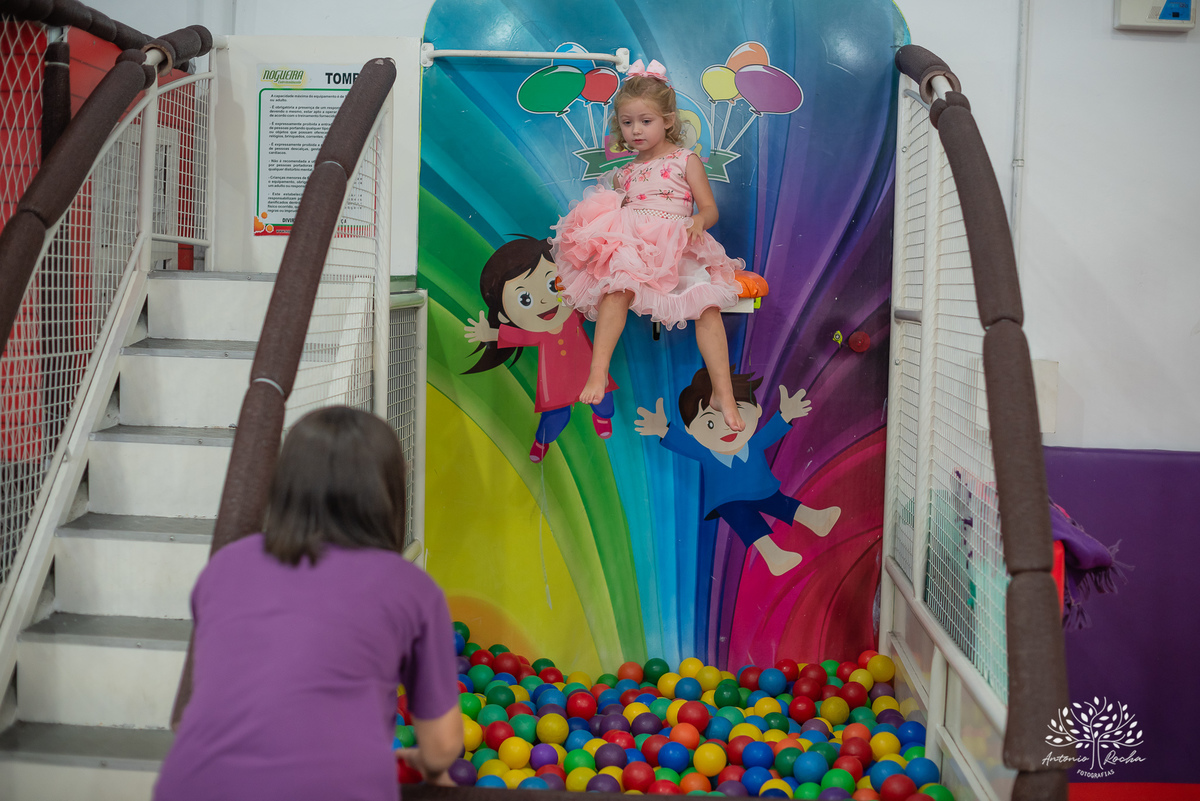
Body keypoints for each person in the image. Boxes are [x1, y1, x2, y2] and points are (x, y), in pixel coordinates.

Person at [155, 407, 462, 801]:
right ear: (388, 496)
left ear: (283, 486)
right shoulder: (409, 587)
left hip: (191, 785)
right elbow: (442, 746)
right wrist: (427, 763)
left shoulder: (226, 565)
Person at [552, 59, 746, 432]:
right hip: (635, 244)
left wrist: (698, 222)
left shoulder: (684, 159)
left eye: (646, 121)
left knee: (707, 307)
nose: (636, 130)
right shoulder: (625, 170)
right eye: (627, 122)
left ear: (668, 121)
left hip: (677, 242)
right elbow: (622, 213)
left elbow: (709, 208)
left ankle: (722, 390)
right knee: (616, 289)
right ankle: (598, 371)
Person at [635, 368, 842, 575]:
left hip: (763, 490)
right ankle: (775, 557)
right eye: (710, 422)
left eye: (736, 412)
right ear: (690, 429)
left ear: (757, 410)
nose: (726, 427)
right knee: (746, 521)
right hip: (728, 501)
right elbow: (684, 445)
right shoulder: (705, 453)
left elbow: (770, 432)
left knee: (781, 504)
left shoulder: (753, 444)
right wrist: (662, 429)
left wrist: (786, 414)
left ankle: (816, 520)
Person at [464, 236, 616, 462]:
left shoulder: (575, 314)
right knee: (556, 418)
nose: (545, 301)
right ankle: (541, 441)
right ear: (506, 314)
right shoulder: (537, 332)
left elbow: (595, 308)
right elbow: (516, 335)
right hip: (557, 382)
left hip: (587, 370)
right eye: (525, 299)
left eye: (551, 284)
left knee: (604, 401)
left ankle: (603, 418)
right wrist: (491, 334)